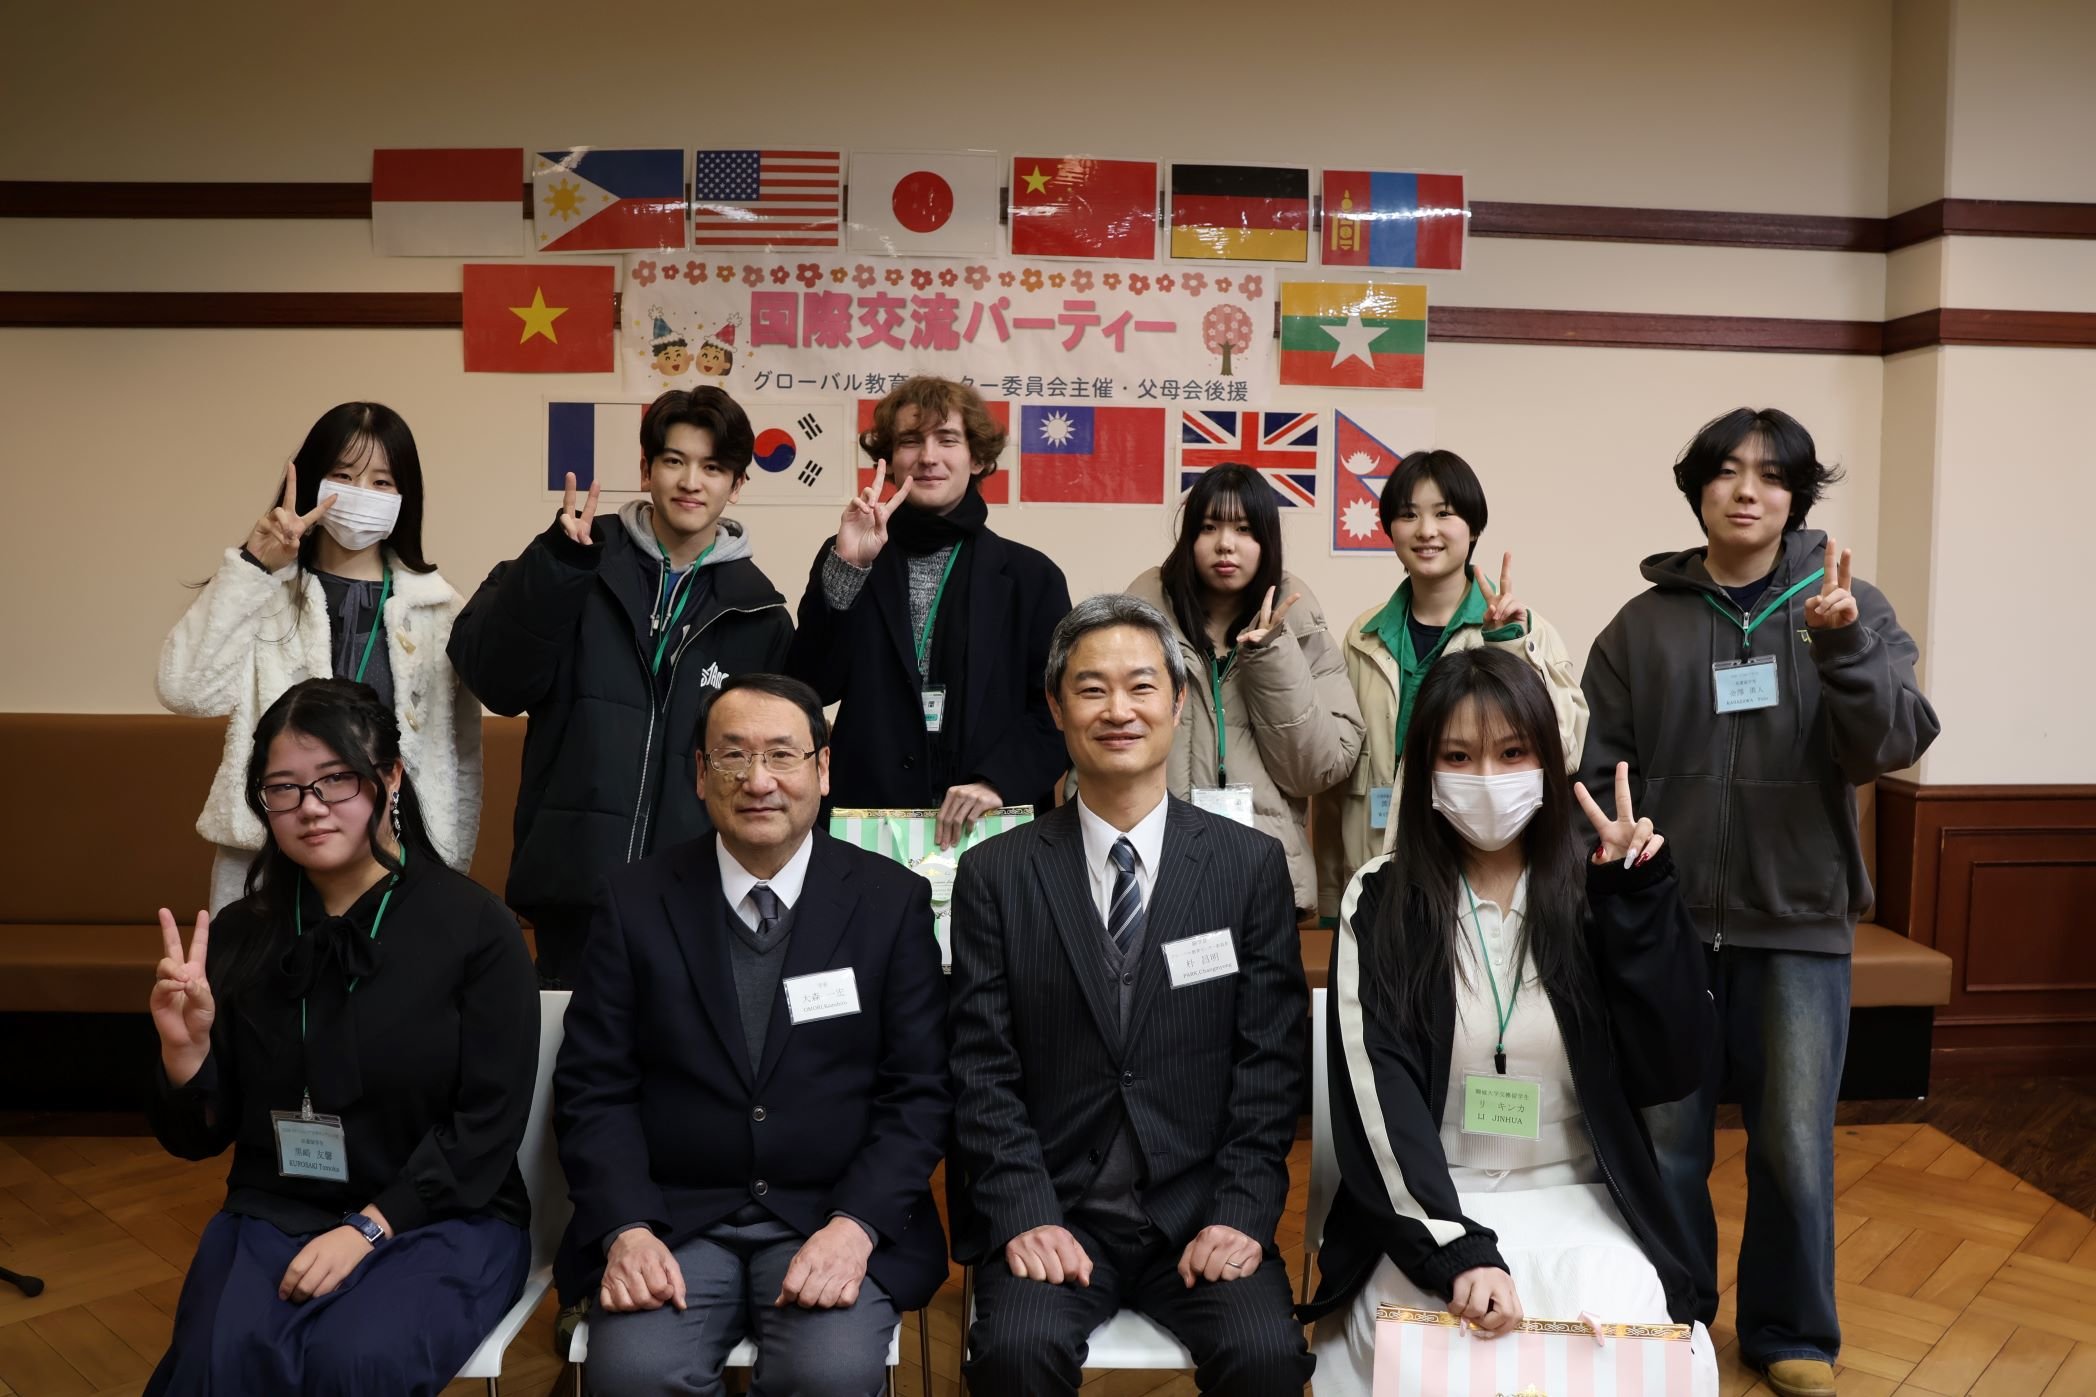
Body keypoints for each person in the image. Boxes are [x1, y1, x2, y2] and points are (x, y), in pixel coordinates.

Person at [1578, 408, 1939, 1397]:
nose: (1747, 490)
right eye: (1727, 471)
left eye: (1771, 475)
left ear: (1796, 496)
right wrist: (1614, 853)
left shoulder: (1845, 603)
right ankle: (1673, 1311)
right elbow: (1601, 768)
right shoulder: (1640, 624)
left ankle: (1789, 1329)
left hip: (1798, 923)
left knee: (1790, 1143)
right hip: (1663, 925)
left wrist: (1842, 647)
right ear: (1696, 488)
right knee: (1664, 1139)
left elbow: (1893, 741)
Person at [1302, 648, 1718, 1395]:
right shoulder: (1381, 898)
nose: (1487, 778)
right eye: (1459, 756)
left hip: (1581, 1196)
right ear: (1426, 770)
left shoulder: (1598, 887)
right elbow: (1378, 1097)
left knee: (1625, 1351)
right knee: (1429, 1365)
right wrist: (1452, 1249)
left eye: (1512, 753)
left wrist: (1638, 903)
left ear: (1548, 762)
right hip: (1432, 1206)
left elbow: (1673, 1066)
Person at [950, 594, 1313, 1395]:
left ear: (1178, 702)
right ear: (1056, 707)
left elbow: (1270, 1064)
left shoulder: (1247, 866)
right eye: (1091, 688)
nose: (1119, 709)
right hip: (1057, 1210)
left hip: (1199, 1211)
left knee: (1265, 1355)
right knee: (1013, 1354)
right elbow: (981, 1069)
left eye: (1142, 686)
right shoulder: (996, 873)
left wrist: (1240, 1212)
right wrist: (1025, 1211)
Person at [553, 673, 951, 1396]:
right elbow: (593, 1087)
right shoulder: (635, 900)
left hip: (827, 1213)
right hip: (674, 1218)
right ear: (700, 774)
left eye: (781, 755)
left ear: (822, 770)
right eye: (733, 756)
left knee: (828, 1374)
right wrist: (627, 1227)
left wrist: (856, 1225)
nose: (758, 780)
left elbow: (920, 1092)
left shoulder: (891, 902)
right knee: (635, 1374)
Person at [143, 678, 538, 1396]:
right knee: (214, 1365)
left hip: (441, 1218)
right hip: (276, 1211)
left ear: (390, 777)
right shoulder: (241, 934)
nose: (311, 806)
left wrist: (371, 1227)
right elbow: (198, 1138)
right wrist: (185, 1052)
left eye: (336, 779)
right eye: (283, 788)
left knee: (351, 1362)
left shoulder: (477, 929)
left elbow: (486, 1125)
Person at [449, 387, 793, 984]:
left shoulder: (759, 614)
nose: (691, 482)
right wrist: (556, 568)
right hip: (571, 888)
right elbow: (497, 682)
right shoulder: (576, 558)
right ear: (645, 469)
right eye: (674, 460)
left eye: (713, 467)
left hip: (698, 899)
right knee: (572, 1042)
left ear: (737, 484)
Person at [158, 403, 481, 915]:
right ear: (312, 481)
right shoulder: (264, 590)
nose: (361, 492)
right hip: (271, 858)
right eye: (344, 476)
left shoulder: (438, 609)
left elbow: (460, 755)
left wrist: (447, 867)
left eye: (382, 481)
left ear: (405, 496)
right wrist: (254, 568)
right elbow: (185, 690)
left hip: (398, 864)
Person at [787, 376, 1071, 845]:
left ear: (976, 458)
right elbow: (809, 687)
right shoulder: (848, 554)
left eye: (947, 439)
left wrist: (998, 781)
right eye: (910, 441)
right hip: (870, 822)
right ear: (889, 459)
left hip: (992, 824)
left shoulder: (1031, 577)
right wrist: (850, 570)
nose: (928, 456)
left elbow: (1059, 709)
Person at [1315, 448, 1585, 917]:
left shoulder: (1524, 629)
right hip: (1375, 876)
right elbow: (1338, 784)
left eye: (1444, 514)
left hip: (1478, 883)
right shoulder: (1362, 636)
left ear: (1474, 527)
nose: (1426, 530)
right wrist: (1330, 892)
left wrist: (1509, 647)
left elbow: (1565, 751)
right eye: (1408, 515)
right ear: (1390, 529)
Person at [1126, 462, 1365, 916]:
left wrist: (1272, 653)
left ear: (1267, 541)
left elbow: (1317, 769)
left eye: (1244, 529)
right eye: (1208, 527)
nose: (1225, 544)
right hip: (1154, 874)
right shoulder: (1137, 622)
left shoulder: (1298, 623)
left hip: (1263, 877)